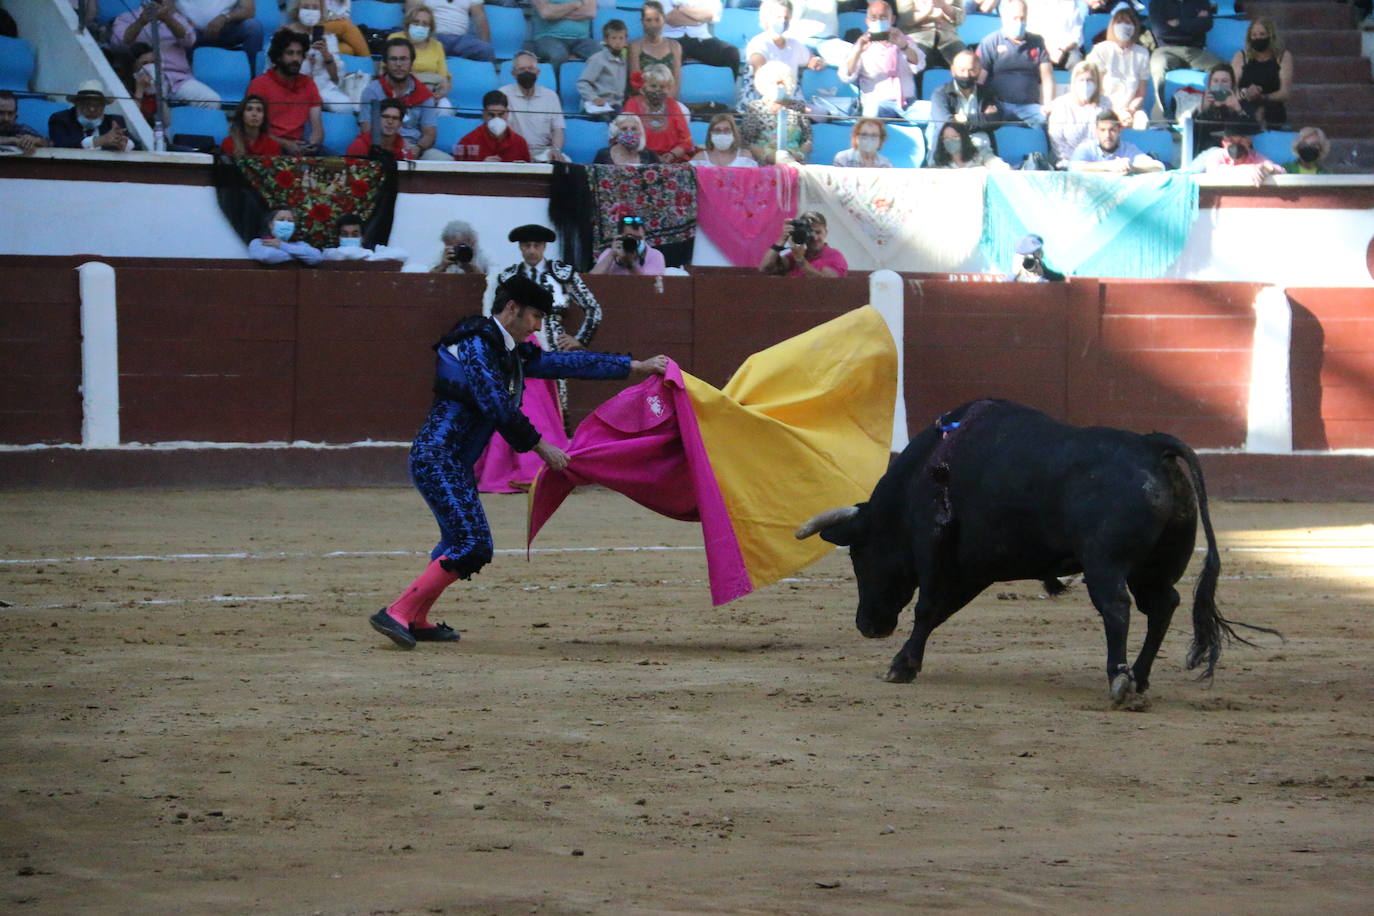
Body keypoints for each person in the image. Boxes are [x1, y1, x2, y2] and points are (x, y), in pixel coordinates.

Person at [366, 273, 668, 649]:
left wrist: (635, 367)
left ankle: (417, 617)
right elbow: (496, 405)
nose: (538, 326)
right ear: (512, 309)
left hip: (452, 460)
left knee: (458, 539)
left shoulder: (505, 348)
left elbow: (564, 365)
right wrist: (544, 448)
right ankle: (397, 612)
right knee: (473, 543)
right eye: (535, 317)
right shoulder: (476, 343)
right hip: (437, 458)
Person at [496, 224, 603, 354]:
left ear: (544, 246)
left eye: (537, 245)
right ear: (520, 247)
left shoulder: (563, 274)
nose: (532, 251)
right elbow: (499, 315)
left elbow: (593, 308)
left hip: (556, 350)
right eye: (527, 245)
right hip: (518, 350)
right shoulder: (508, 277)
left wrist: (580, 340)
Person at [114, 1, 221, 112]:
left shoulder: (177, 18)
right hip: (148, 76)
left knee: (212, 101)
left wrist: (168, 19)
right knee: (157, 97)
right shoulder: (127, 18)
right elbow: (119, 44)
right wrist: (141, 22)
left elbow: (190, 40)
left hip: (178, 78)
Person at [360, 37, 446, 160]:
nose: (399, 64)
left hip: (415, 149)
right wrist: (393, 148)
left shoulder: (423, 93)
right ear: (386, 63)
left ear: (411, 63)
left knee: (443, 160)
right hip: (383, 148)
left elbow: (430, 133)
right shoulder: (372, 92)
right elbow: (367, 130)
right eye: (393, 59)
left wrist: (418, 148)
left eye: (403, 59)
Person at [841, 0, 926, 119]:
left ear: (892, 19)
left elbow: (920, 64)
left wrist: (903, 46)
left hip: (908, 104)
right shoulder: (861, 45)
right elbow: (846, 75)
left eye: (883, 17)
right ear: (867, 21)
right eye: (874, 18)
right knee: (871, 113)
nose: (879, 21)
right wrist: (858, 50)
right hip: (877, 104)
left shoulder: (905, 41)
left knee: (930, 113)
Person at [246, 28, 324, 154]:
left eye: (299, 54)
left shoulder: (309, 84)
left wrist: (312, 144)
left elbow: (317, 128)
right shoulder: (259, 84)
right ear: (278, 57)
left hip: (299, 146)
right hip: (268, 145)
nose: (295, 59)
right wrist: (286, 144)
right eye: (290, 53)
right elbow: (252, 130)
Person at [975, 0, 1054, 125]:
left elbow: (1047, 77)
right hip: (999, 106)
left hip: (1030, 107)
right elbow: (979, 80)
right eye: (1014, 18)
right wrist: (984, 105)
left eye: (1022, 18)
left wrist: (1048, 105)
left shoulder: (1037, 41)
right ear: (1004, 18)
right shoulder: (990, 42)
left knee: (1051, 121)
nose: (1019, 22)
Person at [743, 0, 825, 108]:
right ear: (767, 18)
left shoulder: (794, 44)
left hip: (790, 101)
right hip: (762, 102)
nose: (782, 21)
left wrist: (817, 61)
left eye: (786, 18)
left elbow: (811, 59)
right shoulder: (759, 43)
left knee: (823, 114)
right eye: (778, 17)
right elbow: (760, 77)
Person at [1147, 0, 1222, 117]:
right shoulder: (1157, 2)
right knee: (1158, 65)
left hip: (1196, 51)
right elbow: (1161, 31)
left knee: (1222, 69)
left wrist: (1178, 23)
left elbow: (1207, 24)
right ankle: (1162, 114)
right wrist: (1193, 22)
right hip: (1167, 50)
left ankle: (1216, 111)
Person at [927, 48, 1006, 155]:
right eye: (962, 70)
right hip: (950, 154)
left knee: (1004, 169)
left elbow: (996, 120)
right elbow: (947, 126)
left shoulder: (987, 92)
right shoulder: (940, 94)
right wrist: (982, 119)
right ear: (952, 71)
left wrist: (965, 119)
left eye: (971, 70)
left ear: (979, 71)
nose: (966, 75)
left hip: (984, 153)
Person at [287, 0, 361, 114]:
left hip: (323, 89)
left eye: (315, 8)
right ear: (297, 10)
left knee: (345, 106)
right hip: (294, 88)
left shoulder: (328, 37)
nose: (310, 11)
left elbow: (336, 78)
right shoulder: (286, 34)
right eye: (306, 7)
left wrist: (327, 55)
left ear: (321, 12)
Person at [1086, 4, 1149, 130]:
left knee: (1142, 121)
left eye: (1128, 22)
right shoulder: (1100, 50)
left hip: (1129, 110)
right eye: (1119, 22)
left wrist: (1130, 110)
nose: (1124, 26)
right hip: (1102, 107)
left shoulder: (1142, 53)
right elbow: (1096, 89)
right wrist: (1116, 112)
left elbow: (1141, 92)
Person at [500, 51, 569, 162]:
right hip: (513, 151)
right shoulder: (503, 94)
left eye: (530, 68)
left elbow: (558, 130)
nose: (527, 72)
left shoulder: (550, 96)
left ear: (537, 72)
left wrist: (556, 150)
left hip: (544, 152)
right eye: (522, 69)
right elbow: (502, 132)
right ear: (513, 73)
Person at [740, 59, 813, 163]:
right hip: (764, 164)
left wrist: (797, 157)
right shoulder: (755, 107)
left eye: (782, 82)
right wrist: (771, 158)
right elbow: (747, 141)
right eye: (774, 82)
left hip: (795, 162)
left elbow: (807, 140)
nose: (779, 86)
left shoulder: (797, 107)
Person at [620, 64, 693, 163]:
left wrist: (672, 154)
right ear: (644, 86)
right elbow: (626, 136)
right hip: (640, 159)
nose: (657, 90)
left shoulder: (673, 105)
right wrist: (652, 157)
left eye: (662, 87)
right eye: (653, 86)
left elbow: (687, 141)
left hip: (671, 160)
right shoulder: (632, 104)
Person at [1046, 59, 1110, 163]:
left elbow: (1107, 136)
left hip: (1099, 162)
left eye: (1090, 80)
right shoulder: (1061, 104)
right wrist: (1077, 162)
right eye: (1081, 80)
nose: (1085, 84)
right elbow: (1056, 140)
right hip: (1066, 163)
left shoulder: (1105, 103)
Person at [1233, 18, 1291, 130]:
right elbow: (1231, 89)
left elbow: (1285, 93)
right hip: (1244, 106)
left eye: (1262, 34)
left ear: (1271, 36)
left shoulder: (1283, 56)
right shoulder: (1241, 56)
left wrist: (1263, 97)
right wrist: (1245, 94)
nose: (1257, 38)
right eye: (1254, 35)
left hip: (1272, 108)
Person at [1189, 63, 1258, 157]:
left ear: (1232, 85)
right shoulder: (1202, 107)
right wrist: (1203, 109)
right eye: (1215, 81)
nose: (1219, 85)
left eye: (1224, 81)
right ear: (1210, 84)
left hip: (1237, 154)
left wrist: (1237, 108)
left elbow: (1253, 130)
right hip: (1209, 155)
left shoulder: (1242, 106)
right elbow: (1194, 136)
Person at [391, 4, 453, 107]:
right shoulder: (395, 39)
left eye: (425, 24)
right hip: (402, 90)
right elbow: (389, 71)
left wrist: (442, 90)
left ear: (430, 28)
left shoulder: (437, 46)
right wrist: (431, 78)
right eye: (416, 22)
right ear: (408, 23)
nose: (420, 26)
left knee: (445, 105)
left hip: (430, 92)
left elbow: (443, 77)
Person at [177, 0, 264, 72]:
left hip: (225, 30)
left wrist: (225, 18)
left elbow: (249, 10)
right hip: (189, 30)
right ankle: (181, 76)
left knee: (253, 27)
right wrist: (184, 21)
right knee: (177, 31)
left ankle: (254, 79)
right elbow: (167, 7)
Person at [49, 80, 135, 151]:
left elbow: (137, 147)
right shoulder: (60, 119)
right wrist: (100, 140)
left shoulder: (114, 121)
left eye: (97, 105)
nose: (92, 109)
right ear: (77, 104)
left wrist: (124, 143)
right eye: (86, 104)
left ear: (104, 106)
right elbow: (61, 145)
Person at [1187, 124, 1284, 186]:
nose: (1236, 144)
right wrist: (1246, 169)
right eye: (1231, 141)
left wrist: (1265, 169)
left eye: (1241, 140)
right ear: (1224, 142)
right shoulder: (1217, 154)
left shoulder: (1255, 156)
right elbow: (1214, 172)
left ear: (1249, 142)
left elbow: (1281, 171)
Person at [1068, 108, 1163, 172]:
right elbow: (1073, 167)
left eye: (1112, 130)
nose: (1107, 135)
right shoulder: (1086, 148)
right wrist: (1109, 166)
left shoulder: (1128, 149)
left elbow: (1159, 167)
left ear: (1119, 131)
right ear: (1096, 132)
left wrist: (1130, 168)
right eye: (1102, 130)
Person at [759, 211, 848, 277]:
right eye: (810, 232)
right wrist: (782, 239)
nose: (815, 238)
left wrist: (800, 260)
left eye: (818, 232)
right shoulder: (794, 253)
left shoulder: (834, 256)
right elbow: (765, 268)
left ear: (826, 233)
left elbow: (829, 284)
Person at [661, 0, 741, 74]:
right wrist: (698, 19)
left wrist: (680, 7)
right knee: (667, 58)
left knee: (731, 53)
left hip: (702, 38)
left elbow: (710, 14)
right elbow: (671, 18)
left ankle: (726, 88)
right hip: (671, 38)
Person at [453, 90, 531, 161]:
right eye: (491, 115)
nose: (496, 119)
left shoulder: (519, 142)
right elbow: (457, 171)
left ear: (507, 112)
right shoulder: (469, 141)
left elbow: (529, 171)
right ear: (483, 114)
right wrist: (482, 166)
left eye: (501, 114)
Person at [629, 1, 684, 96]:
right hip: (642, 99)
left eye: (657, 20)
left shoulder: (675, 46)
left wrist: (665, 101)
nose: (653, 25)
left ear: (664, 20)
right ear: (642, 21)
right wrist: (652, 102)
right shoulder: (635, 46)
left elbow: (676, 81)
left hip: (668, 99)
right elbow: (635, 83)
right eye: (648, 20)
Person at [577, 18, 630, 115]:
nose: (617, 42)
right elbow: (583, 83)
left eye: (621, 38)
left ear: (625, 40)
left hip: (615, 105)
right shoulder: (598, 59)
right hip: (596, 105)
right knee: (606, 120)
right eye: (614, 38)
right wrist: (594, 98)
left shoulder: (624, 62)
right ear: (606, 40)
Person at [527, 0, 600, 70]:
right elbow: (546, 13)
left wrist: (556, 13)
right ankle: (556, 82)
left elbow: (590, 12)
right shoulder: (577, 3)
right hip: (548, 38)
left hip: (582, 39)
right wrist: (575, 4)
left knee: (601, 54)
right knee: (557, 55)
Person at [894, 0, 964, 70]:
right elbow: (906, 19)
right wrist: (929, 8)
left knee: (966, 62)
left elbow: (960, 19)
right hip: (919, 38)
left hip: (948, 38)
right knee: (916, 63)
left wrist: (944, 6)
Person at [589, 213, 668, 275]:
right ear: (620, 237)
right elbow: (591, 282)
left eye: (639, 238)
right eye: (630, 237)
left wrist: (630, 265)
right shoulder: (609, 253)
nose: (635, 242)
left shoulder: (655, 255)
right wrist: (612, 255)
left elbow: (649, 287)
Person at [417, 0, 494, 61]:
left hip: (461, 40)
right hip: (434, 37)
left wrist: (485, 43)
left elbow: (480, 17)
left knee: (485, 49)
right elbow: (412, 13)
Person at [248, 207, 325, 265]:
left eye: (290, 221)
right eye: (281, 220)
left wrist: (282, 245)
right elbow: (268, 256)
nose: (286, 223)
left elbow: (317, 257)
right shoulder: (258, 242)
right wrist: (301, 255)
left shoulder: (301, 244)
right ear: (271, 224)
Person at [322, 212, 409, 262]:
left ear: (362, 237)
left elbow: (402, 254)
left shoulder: (373, 249)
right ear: (339, 237)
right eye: (345, 234)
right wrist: (367, 256)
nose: (350, 237)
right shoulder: (331, 251)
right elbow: (342, 255)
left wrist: (370, 257)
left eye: (355, 234)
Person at [1024, 0, 1086, 70]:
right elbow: (1030, 31)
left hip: (1066, 49)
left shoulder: (1071, 3)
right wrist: (1049, 49)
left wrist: (1063, 49)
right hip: (1040, 48)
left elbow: (1076, 35)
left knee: (1079, 67)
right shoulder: (1032, 3)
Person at [346, 98, 415, 158]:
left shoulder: (404, 148)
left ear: (400, 124)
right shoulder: (359, 146)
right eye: (385, 117)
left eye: (395, 118)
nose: (390, 122)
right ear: (375, 120)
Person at [931, 118, 1009, 167]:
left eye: (955, 137)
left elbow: (1000, 167)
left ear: (964, 137)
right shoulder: (939, 162)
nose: (950, 141)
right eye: (946, 138)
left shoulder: (981, 152)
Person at [691, 112, 759, 166]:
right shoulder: (699, 160)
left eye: (727, 130)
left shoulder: (744, 156)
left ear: (733, 132)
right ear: (711, 133)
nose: (722, 134)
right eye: (717, 130)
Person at [593, 112, 662, 164]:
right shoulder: (603, 154)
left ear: (640, 132)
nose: (629, 132)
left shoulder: (650, 155)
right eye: (624, 129)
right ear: (615, 131)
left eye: (634, 129)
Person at [0, 90, 48, 155]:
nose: (6, 118)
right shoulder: (15, 137)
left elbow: (48, 143)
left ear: (16, 116)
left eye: (10, 113)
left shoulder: (20, 129)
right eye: (0, 113)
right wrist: (12, 140)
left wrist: (34, 140)